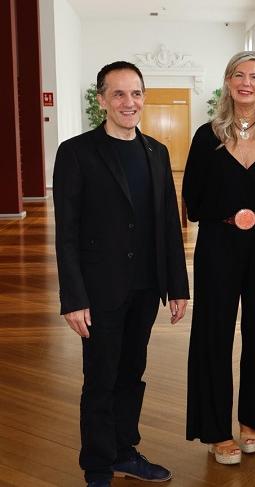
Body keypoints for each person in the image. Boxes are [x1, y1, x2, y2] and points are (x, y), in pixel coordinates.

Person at [53, 61, 189, 487]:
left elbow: (169, 223)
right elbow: (67, 232)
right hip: (99, 291)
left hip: (146, 288)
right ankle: (97, 467)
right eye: (118, 94)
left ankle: (124, 451)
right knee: (100, 379)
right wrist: (73, 298)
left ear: (143, 97)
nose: (129, 103)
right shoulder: (75, 152)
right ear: (101, 100)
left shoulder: (157, 151)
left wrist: (178, 285)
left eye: (135, 94)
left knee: (132, 373)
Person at [183, 51, 255, 465]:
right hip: (218, 241)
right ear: (228, 82)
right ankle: (214, 430)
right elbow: (192, 199)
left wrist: (254, 216)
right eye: (239, 75)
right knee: (213, 333)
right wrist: (229, 214)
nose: (247, 82)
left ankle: (253, 421)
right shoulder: (205, 136)